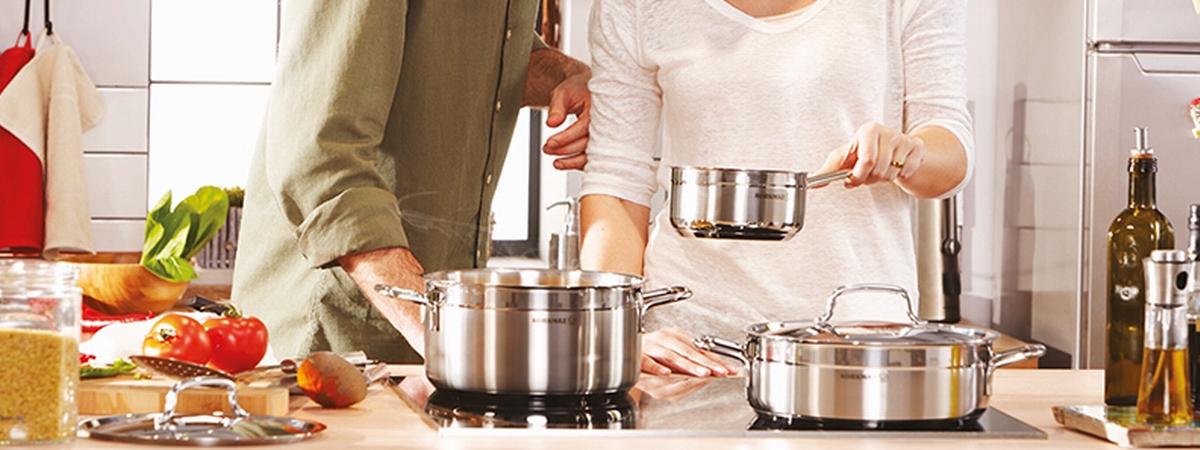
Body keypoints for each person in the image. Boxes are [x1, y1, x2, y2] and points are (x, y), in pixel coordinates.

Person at [579, 0, 974, 376]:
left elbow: (951, 151)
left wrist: (909, 153)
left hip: (859, 340)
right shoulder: (633, 7)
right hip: (691, 346)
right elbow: (616, 181)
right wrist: (615, 334)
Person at [231, 1, 591, 364]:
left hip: (424, 330)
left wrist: (567, 77)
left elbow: (489, 54)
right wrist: (440, 332)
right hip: (326, 333)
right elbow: (320, 158)